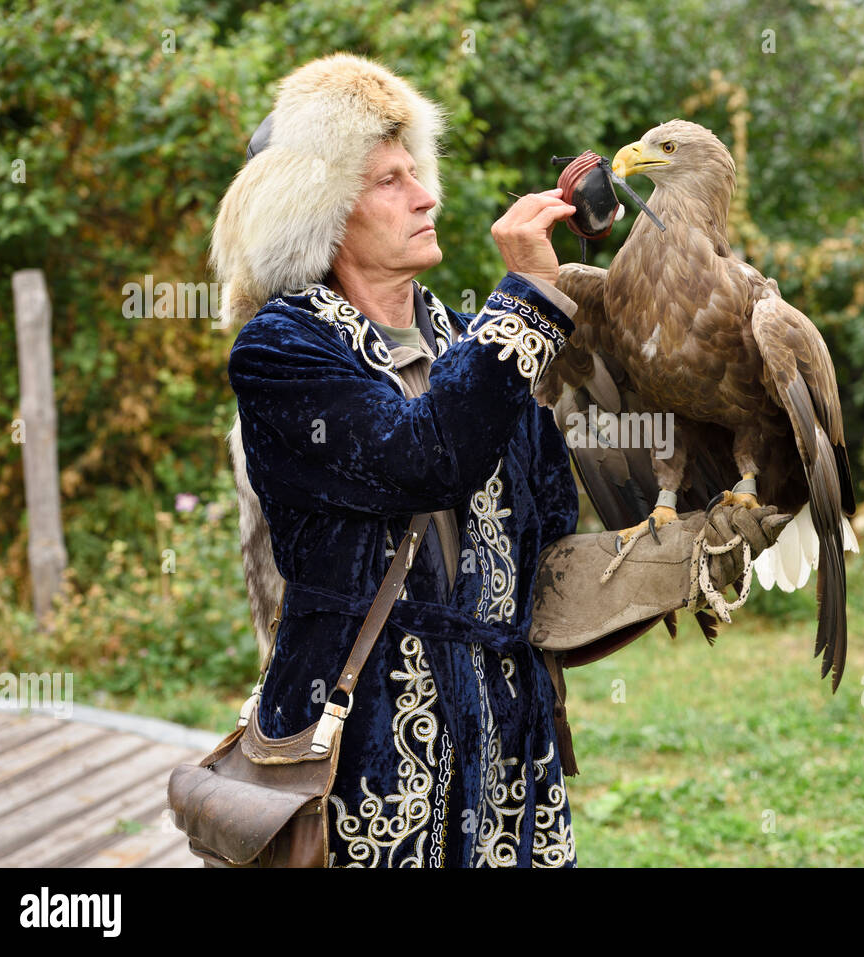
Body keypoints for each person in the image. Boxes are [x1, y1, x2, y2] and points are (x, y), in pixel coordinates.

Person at [212, 53, 789, 869]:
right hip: (359, 755)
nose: (427, 195)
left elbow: (545, 528)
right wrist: (526, 297)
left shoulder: (466, 337)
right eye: (388, 181)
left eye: (419, 171)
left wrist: (666, 555)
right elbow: (424, 458)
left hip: (509, 761)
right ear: (325, 211)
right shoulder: (283, 351)